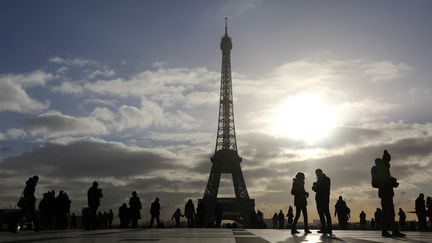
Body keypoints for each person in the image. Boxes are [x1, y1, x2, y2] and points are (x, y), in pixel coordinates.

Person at [372, 150, 405, 237]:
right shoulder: (381, 168)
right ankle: (386, 230)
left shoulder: (383, 168)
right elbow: (382, 180)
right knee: (387, 212)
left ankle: (392, 230)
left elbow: (385, 179)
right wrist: (392, 182)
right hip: (385, 192)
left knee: (390, 212)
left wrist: (393, 182)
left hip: (387, 192)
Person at [312, 169, 332, 234]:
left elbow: (323, 188)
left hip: (324, 199)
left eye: (318, 173)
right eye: (316, 174)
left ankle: (329, 229)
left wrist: (316, 186)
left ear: (321, 173)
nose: (317, 175)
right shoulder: (319, 180)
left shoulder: (326, 179)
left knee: (326, 213)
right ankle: (324, 228)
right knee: (321, 214)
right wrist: (314, 187)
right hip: (319, 199)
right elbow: (317, 190)